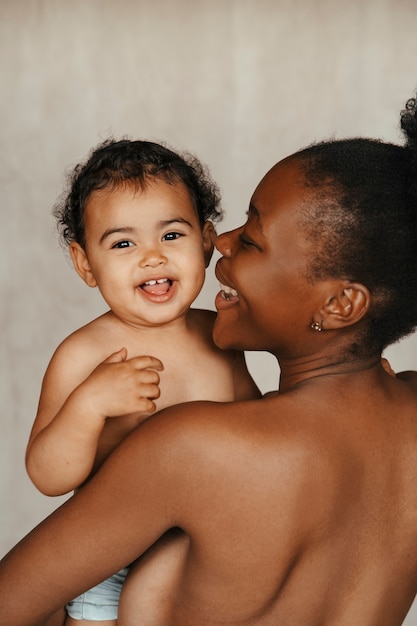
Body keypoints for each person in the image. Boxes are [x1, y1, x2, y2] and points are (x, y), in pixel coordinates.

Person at [2, 94, 417, 626]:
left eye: (252, 238)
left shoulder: (187, 448)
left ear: (340, 304)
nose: (217, 241)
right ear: (85, 261)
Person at [23, 138, 260, 625]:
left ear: (206, 240)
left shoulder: (219, 338)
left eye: (171, 235)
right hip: (111, 555)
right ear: (86, 263)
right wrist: (87, 406)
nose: (152, 257)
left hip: (200, 551)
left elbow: (258, 428)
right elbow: (48, 476)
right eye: (123, 243)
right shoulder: (84, 354)